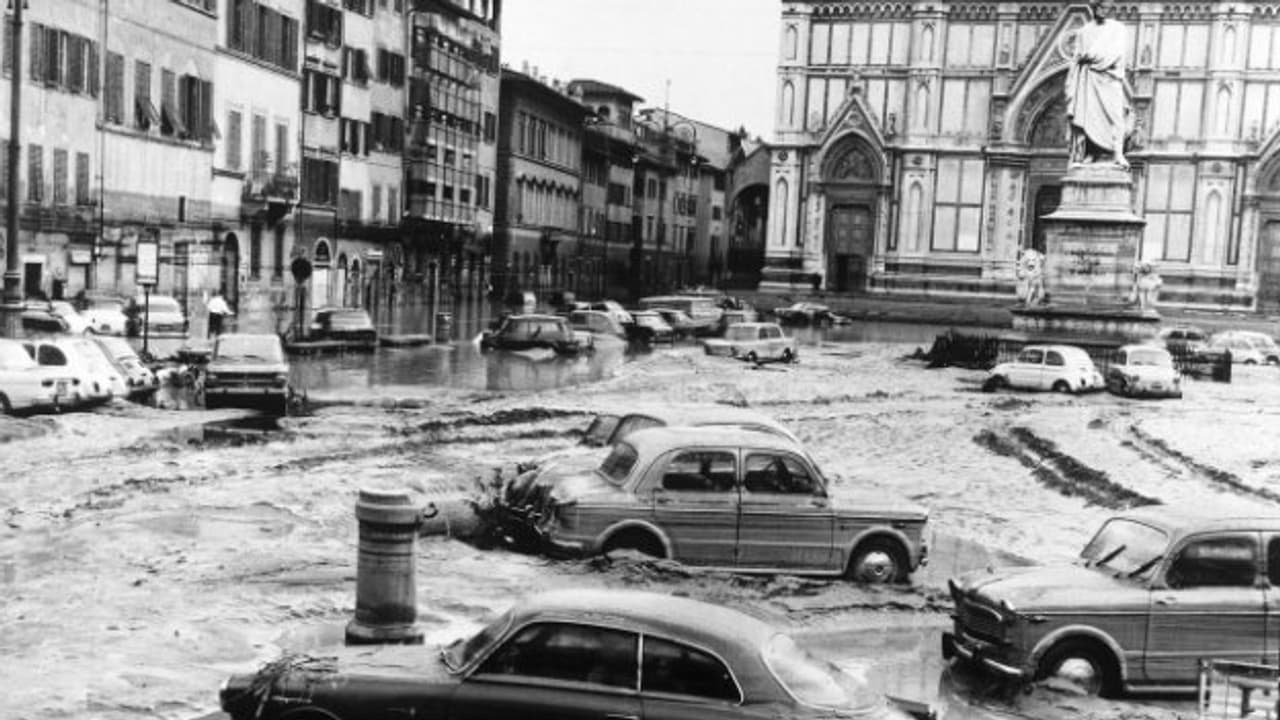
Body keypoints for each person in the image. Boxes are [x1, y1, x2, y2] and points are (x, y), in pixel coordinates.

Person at [1065, 0, 1133, 168]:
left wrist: (1093, 57)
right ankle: (1089, 153)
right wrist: (1083, 58)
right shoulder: (1084, 32)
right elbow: (1077, 57)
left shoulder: (1117, 29)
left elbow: (1119, 52)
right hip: (1089, 79)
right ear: (1094, 7)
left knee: (1115, 116)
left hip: (1110, 78)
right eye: (1101, 7)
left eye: (1107, 7)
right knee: (1088, 117)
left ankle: (1117, 153)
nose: (1104, 10)